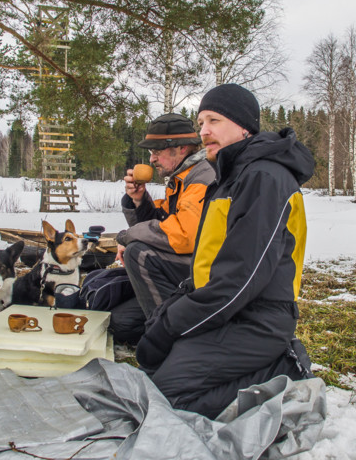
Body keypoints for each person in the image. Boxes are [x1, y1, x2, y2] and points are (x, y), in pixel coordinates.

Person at [135, 84, 316, 419]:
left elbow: (241, 281)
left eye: (214, 120)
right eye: (201, 121)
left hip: (258, 320)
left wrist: (174, 324)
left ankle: (283, 371)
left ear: (243, 126)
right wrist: (171, 311)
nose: (203, 131)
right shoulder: (230, 178)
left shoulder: (265, 178)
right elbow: (211, 262)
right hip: (230, 311)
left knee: (165, 401)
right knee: (154, 368)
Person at [110, 113, 215, 343]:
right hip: (185, 268)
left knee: (140, 253)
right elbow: (163, 220)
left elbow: (184, 235)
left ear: (182, 149)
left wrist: (127, 237)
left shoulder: (202, 176)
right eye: (151, 153)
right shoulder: (181, 178)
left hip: (208, 275)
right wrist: (138, 200)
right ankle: (165, 323)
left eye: (156, 151)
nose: (151, 160)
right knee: (120, 324)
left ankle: (171, 340)